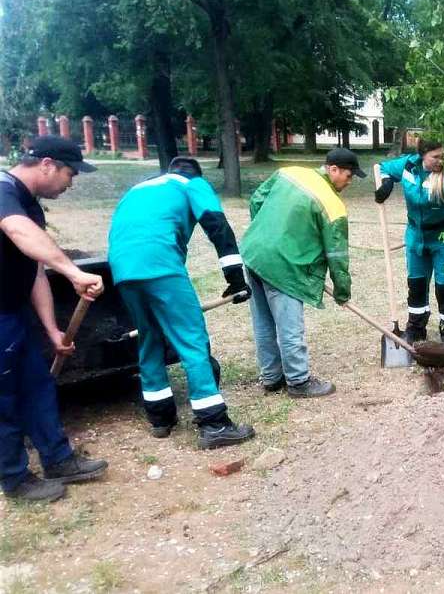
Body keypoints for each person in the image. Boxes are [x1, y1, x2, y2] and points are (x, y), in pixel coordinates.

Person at [107, 157, 255, 449]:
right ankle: (214, 424)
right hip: (160, 264)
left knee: (149, 337)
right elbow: (217, 226)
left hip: (121, 269)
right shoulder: (193, 184)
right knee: (192, 340)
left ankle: (160, 418)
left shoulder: (140, 189)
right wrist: (236, 278)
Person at [0, 136, 109, 503]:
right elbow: (17, 231)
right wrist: (75, 273)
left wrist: (51, 329)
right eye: (69, 173)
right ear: (46, 163)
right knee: (4, 396)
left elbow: (34, 271)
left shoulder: (30, 207)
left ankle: (58, 459)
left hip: (14, 314)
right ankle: (15, 479)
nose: (70, 183)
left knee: (37, 386)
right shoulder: (3, 192)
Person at [239, 149, 359, 397]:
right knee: (289, 325)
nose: (349, 182)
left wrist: (268, 234)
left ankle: (271, 378)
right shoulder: (332, 205)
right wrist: (342, 290)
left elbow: (256, 201)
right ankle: (298, 381)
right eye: (348, 176)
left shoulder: (288, 173)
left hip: (254, 255)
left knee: (263, 323)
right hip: (285, 266)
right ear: (333, 169)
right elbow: (337, 255)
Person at [375, 139, 444, 345]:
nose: (441, 160)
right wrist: (387, 182)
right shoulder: (408, 165)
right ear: (423, 155)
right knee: (416, 283)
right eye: (435, 157)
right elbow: (382, 167)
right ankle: (415, 329)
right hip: (416, 235)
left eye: (443, 156)